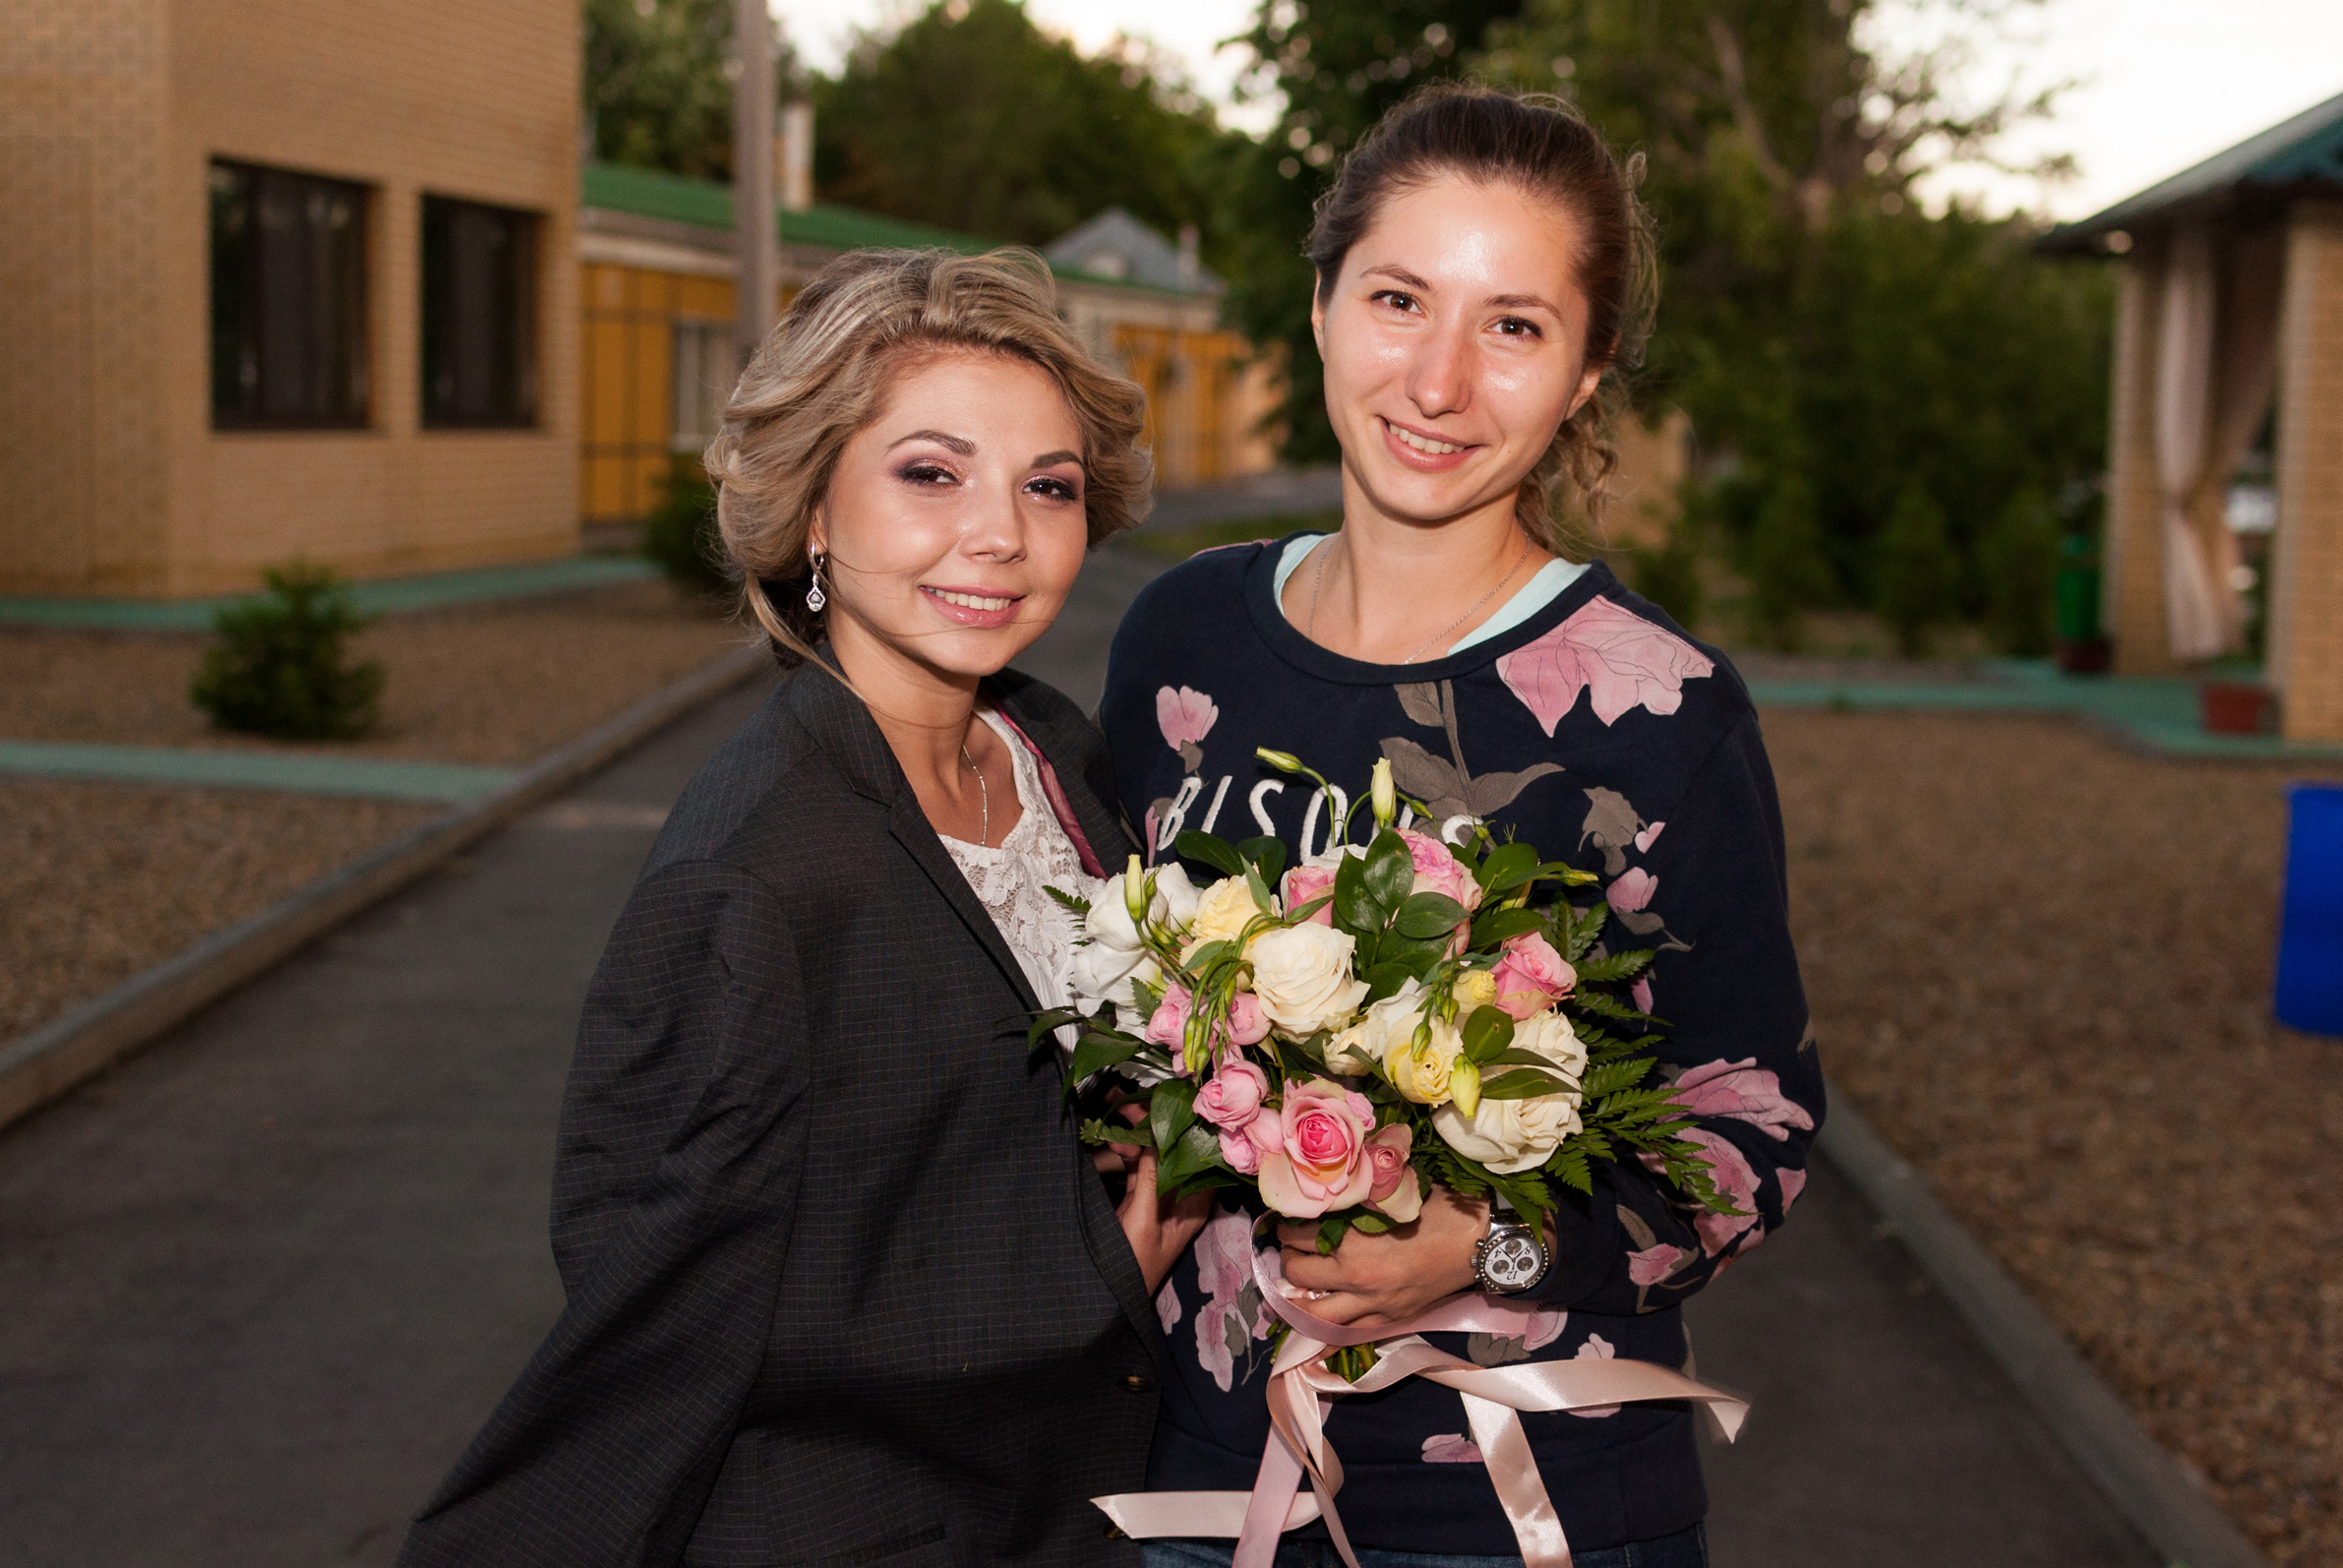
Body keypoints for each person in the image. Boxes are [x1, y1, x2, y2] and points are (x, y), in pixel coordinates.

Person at [1098, 85, 1823, 1567]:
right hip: (1200, 1476)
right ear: (1318, 308)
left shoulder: (1658, 707)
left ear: (1586, 374)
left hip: (1521, 1502)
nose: (1436, 379)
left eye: (1512, 325)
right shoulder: (1184, 639)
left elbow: (1755, 1133)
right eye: (1399, 298)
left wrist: (1481, 1245)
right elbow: (1109, 1029)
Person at [397, 248, 1208, 1568]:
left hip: (1068, 1498)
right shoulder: (750, 877)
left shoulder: (1051, 749)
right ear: (816, 511)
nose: (1000, 532)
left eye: (1046, 486)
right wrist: (1102, 1266)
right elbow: (671, 1324)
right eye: (930, 472)